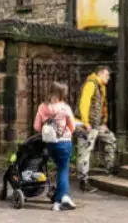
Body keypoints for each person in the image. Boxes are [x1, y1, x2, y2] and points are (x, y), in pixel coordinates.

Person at [33, 81, 77, 211]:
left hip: (50, 144)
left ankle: (61, 199)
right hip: (64, 143)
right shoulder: (65, 108)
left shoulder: (42, 107)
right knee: (63, 169)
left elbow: (36, 127)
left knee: (60, 169)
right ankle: (61, 200)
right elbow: (73, 127)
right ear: (62, 94)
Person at [75, 66, 118, 192]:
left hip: (96, 124)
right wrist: (85, 122)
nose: (108, 78)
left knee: (110, 138)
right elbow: (84, 103)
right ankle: (83, 181)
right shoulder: (91, 84)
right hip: (86, 125)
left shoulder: (101, 86)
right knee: (84, 151)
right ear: (100, 73)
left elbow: (102, 107)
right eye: (107, 75)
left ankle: (108, 168)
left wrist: (103, 122)